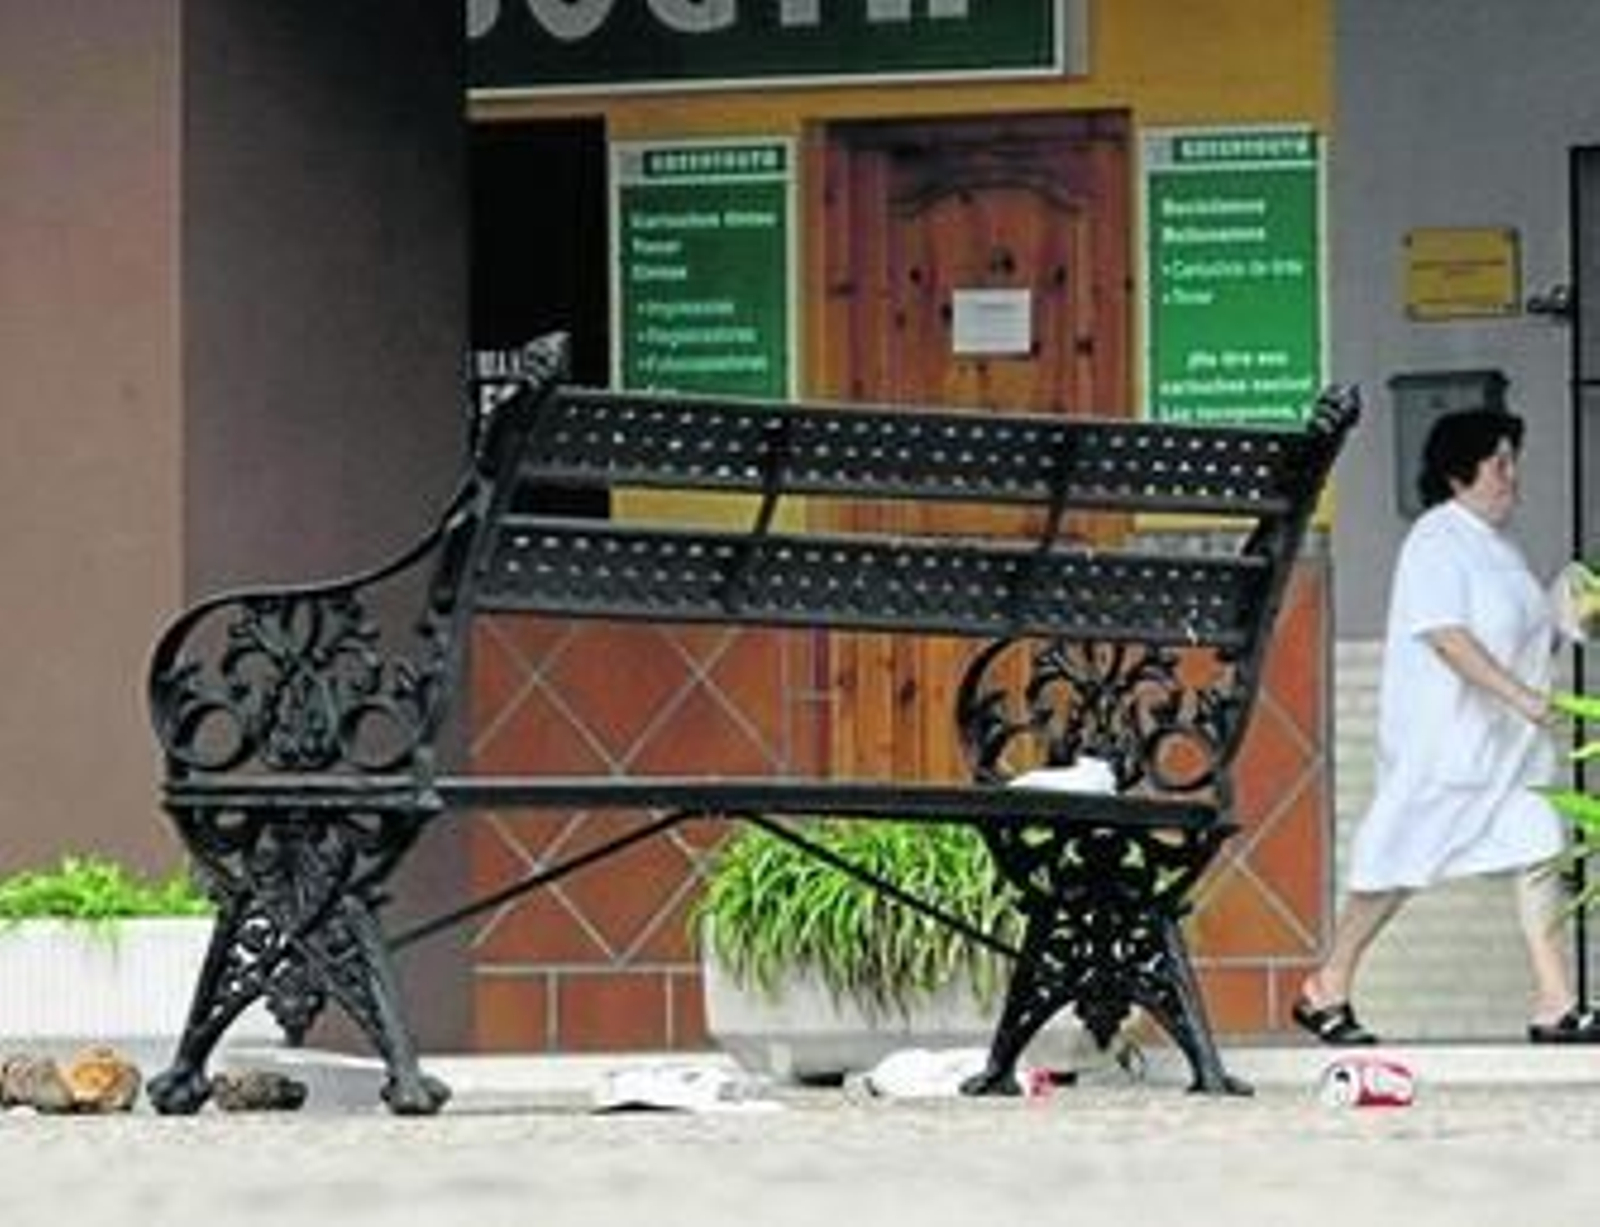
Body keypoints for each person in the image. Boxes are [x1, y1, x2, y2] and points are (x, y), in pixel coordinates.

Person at [1293, 406, 1599, 1045]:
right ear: (1460, 474)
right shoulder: (1436, 537)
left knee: (1539, 846)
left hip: (1505, 751)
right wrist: (1518, 697)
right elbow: (1445, 636)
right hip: (1444, 745)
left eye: (1513, 462)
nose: (1512, 477)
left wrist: (1568, 607)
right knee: (1399, 867)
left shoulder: (1503, 550)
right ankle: (1327, 986)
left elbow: (1528, 637)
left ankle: (1555, 1001)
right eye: (1499, 463)